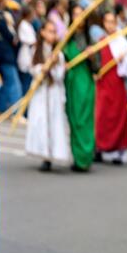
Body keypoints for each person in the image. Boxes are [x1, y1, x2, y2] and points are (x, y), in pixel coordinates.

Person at [24, 18, 71, 171]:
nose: (52, 35)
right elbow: (31, 68)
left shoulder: (59, 53)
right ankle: (44, 155)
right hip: (40, 91)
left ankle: (53, 153)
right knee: (40, 121)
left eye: (54, 32)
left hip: (54, 92)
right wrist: (42, 68)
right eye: (49, 31)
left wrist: (54, 64)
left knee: (54, 122)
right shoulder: (35, 50)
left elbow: (59, 76)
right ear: (43, 33)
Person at [94, 9, 127, 164]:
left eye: (113, 22)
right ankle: (99, 148)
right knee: (101, 115)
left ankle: (119, 150)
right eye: (107, 22)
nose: (110, 25)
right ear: (103, 24)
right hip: (103, 83)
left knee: (118, 116)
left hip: (117, 84)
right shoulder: (101, 40)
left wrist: (122, 60)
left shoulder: (121, 41)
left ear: (116, 23)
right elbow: (96, 62)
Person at [63, 4, 97, 172]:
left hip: (86, 84)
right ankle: (78, 158)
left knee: (85, 120)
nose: (78, 17)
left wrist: (92, 57)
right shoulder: (66, 39)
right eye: (75, 14)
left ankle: (86, 157)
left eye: (81, 14)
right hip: (72, 83)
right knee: (75, 119)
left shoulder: (90, 40)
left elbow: (97, 66)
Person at [16, 4, 37, 95]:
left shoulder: (29, 25)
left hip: (30, 56)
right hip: (25, 56)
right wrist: (34, 42)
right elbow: (26, 39)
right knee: (25, 84)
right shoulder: (23, 24)